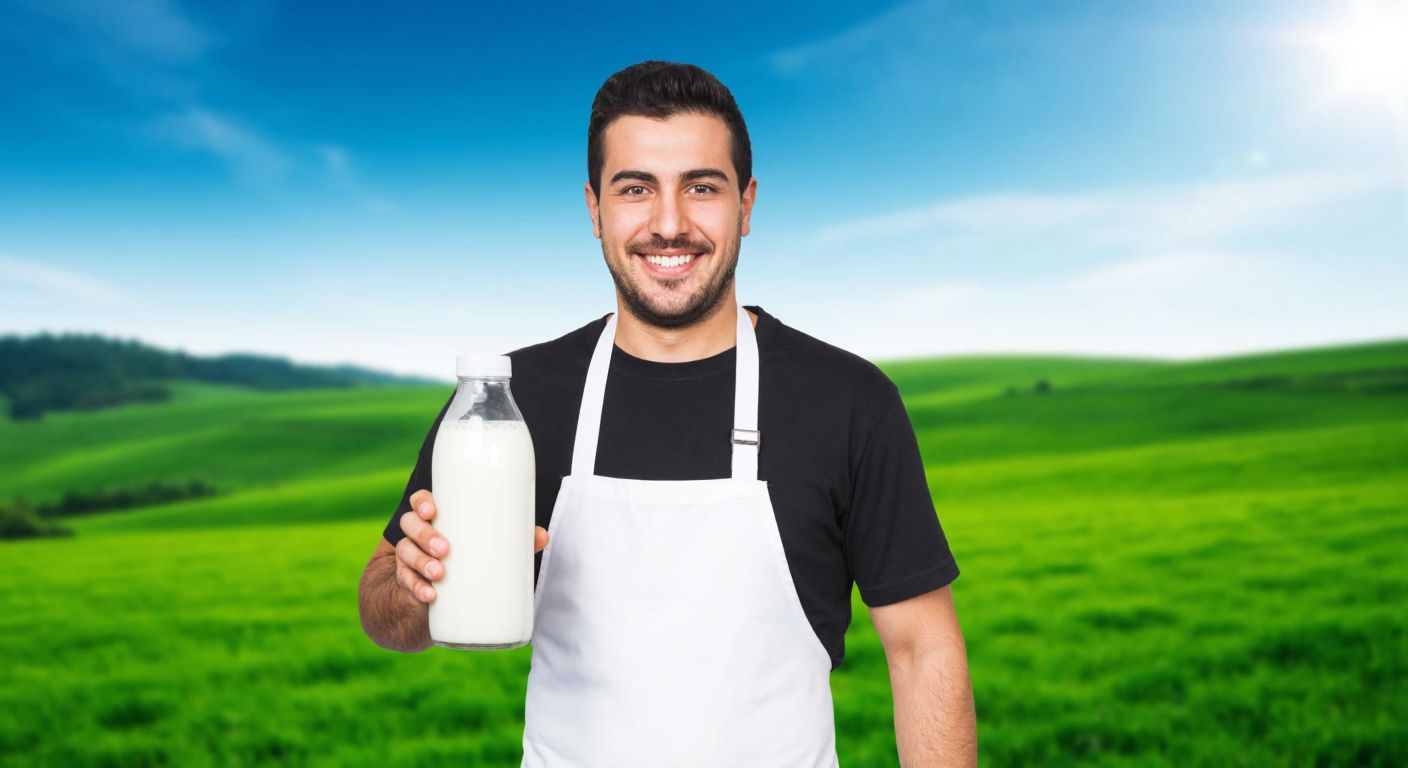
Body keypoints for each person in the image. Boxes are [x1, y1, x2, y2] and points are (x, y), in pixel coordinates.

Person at [358, 60, 978, 767]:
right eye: (636, 189)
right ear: (595, 210)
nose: (670, 223)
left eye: (702, 187)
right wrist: (413, 585)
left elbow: (923, 650)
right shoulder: (506, 403)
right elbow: (384, 610)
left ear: (747, 204)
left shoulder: (848, 400)